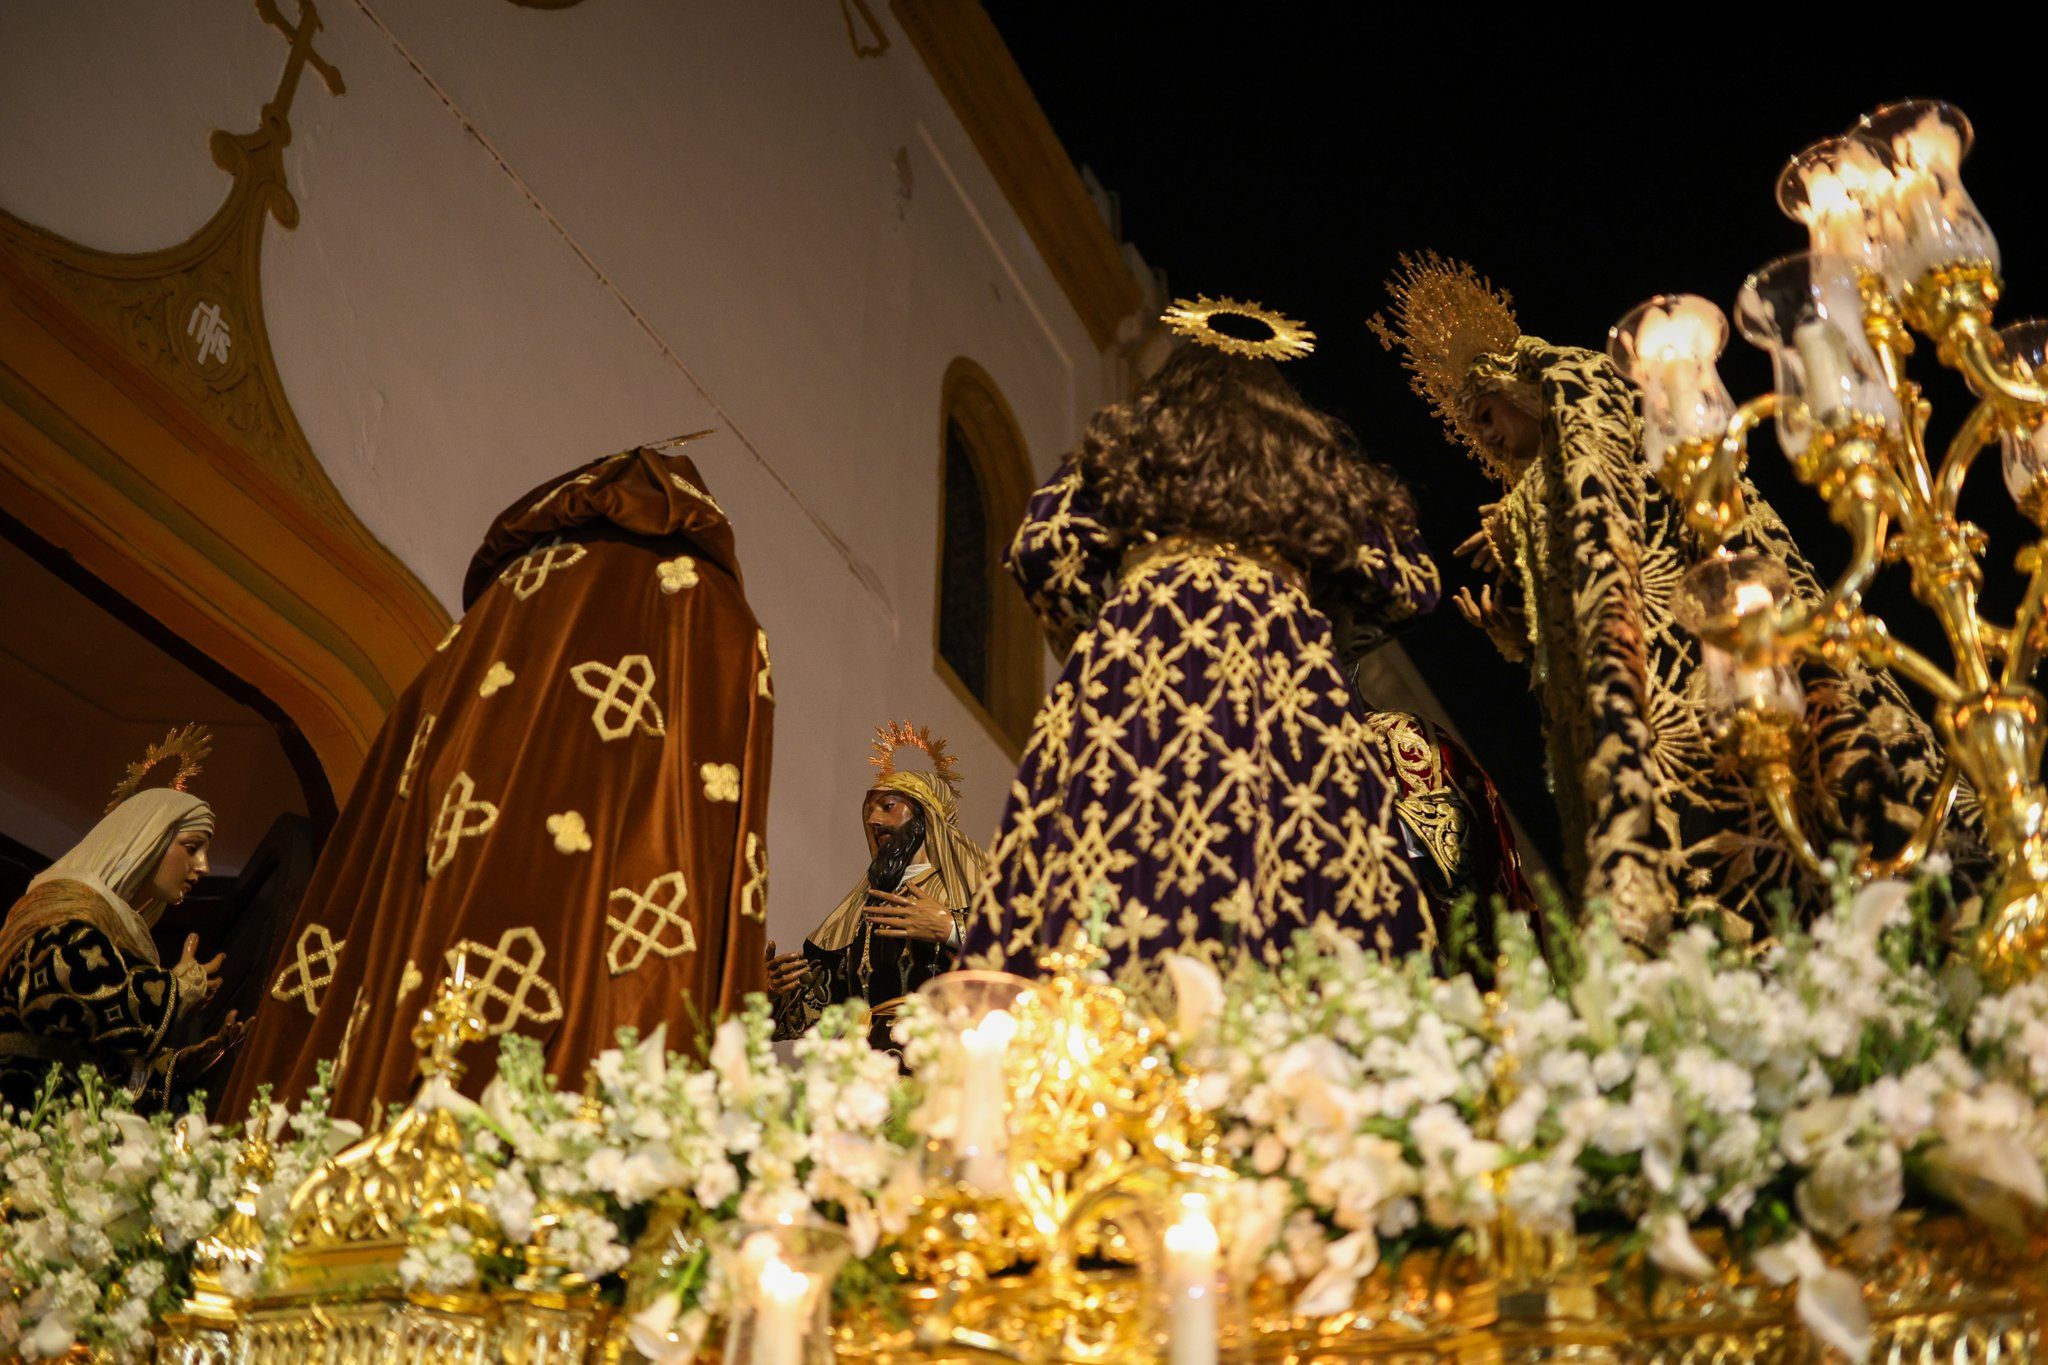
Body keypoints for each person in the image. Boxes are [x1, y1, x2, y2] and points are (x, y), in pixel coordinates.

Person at [1371, 252, 1980, 948]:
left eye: (1486, 412)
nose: (1482, 435)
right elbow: (1599, 603)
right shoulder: (1548, 490)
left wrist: (1520, 511)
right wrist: (1522, 630)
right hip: (1654, 696)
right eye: (1471, 426)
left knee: (1810, 785)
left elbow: (1608, 497)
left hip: (1717, 648)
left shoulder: (1591, 402)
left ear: (1522, 387)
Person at [221, 441, 774, 1123]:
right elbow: (702, 832)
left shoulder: (494, 610)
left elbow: (390, 799)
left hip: (439, 905)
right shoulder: (705, 609)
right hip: (588, 926)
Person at [965, 298, 1443, 977]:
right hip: (1281, 669)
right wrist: (1318, 624)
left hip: (1141, 661)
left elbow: (1044, 546)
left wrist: (1095, 638)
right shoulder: (1311, 460)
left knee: (1110, 839)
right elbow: (1407, 580)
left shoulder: (1132, 440)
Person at [0, 774, 230, 1112]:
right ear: (149, 841)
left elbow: (95, 1055)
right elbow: (57, 992)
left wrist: (176, 1067)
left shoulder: (117, 927)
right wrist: (173, 992)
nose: (203, 867)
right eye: (192, 847)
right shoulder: (67, 902)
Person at [769, 723, 989, 1048]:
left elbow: (1023, 951)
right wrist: (780, 991)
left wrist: (952, 928)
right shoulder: (859, 911)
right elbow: (822, 1014)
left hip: (944, 1056)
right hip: (867, 1062)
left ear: (926, 816)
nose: (873, 821)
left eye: (888, 807)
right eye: (870, 810)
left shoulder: (975, 891)